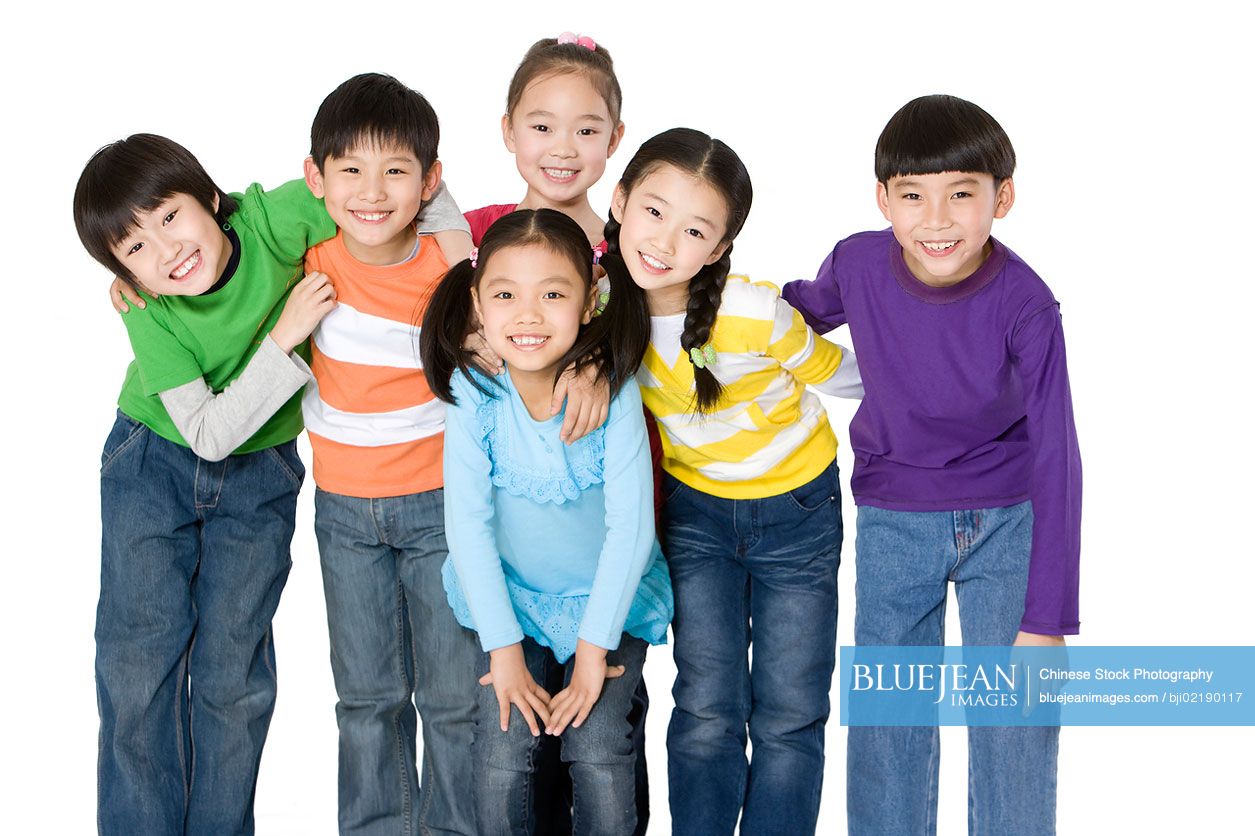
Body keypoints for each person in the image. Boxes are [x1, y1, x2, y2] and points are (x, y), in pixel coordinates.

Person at [781, 94, 1082, 836]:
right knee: (888, 723)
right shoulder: (856, 263)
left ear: (1001, 198)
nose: (936, 219)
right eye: (911, 196)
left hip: (1006, 521)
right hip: (893, 520)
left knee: (1013, 718)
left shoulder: (1026, 304)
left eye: (961, 194)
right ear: (882, 198)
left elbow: (1057, 455)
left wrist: (1047, 621)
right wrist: (704, 297)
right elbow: (795, 314)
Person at [600, 127, 863, 835]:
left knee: (789, 708)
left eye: (693, 230)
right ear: (619, 201)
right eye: (652, 211)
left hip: (797, 510)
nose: (663, 241)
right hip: (696, 519)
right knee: (708, 702)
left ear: (716, 249)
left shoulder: (752, 313)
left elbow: (847, 377)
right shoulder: (598, 307)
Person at [74, 133, 340, 835]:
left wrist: (467, 263)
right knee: (138, 668)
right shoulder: (149, 312)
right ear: (122, 274)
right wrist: (283, 337)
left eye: (169, 216)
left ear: (211, 199)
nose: (165, 251)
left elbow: (378, 194)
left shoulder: (273, 222)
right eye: (133, 248)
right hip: (152, 460)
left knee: (233, 678)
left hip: (263, 477)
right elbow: (209, 434)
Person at [419, 208, 671, 836]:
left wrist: (593, 652)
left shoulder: (614, 394)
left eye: (553, 295)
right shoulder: (473, 394)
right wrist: (503, 653)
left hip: (606, 602)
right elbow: (469, 530)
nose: (527, 315)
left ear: (591, 302)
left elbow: (632, 532)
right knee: (503, 751)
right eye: (505, 295)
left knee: (599, 743)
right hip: (513, 602)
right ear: (477, 306)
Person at [299, 73, 481, 836]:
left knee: (454, 697)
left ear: (430, 181)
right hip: (343, 511)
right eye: (349, 171)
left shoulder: (451, 258)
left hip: (442, 505)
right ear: (315, 179)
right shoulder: (303, 256)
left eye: (396, 171)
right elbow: (205, 245)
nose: (372, 192)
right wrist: (125, 278)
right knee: (366, 699)